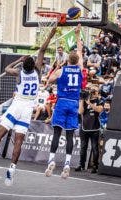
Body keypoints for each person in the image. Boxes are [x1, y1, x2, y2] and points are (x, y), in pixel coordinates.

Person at [0, 27, 57, 186]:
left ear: (23, 66)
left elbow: (6, 69)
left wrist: (19, 60)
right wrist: (51, 33)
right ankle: (12, 169)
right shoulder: (37, 72)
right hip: (28, 108)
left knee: (0, 133)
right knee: (18, 141)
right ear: (35, 66)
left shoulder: (19, 72)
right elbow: (43, 49)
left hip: (18, 104)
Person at [44, 24, 83, 179]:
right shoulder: (80, 68)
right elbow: (79, 50)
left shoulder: (61, 71)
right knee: (69, 135)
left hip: (62, 102)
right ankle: (67, 164)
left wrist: (52, 75)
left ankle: (51, 160)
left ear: (67, 59)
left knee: (56, 133)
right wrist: (78, 34)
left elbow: (49, 79)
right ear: (77, 60)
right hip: (74, 103)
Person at [75, 87, 103, 173]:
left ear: (98, 93)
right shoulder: (84, 100)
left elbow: (99, 109)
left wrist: (90, 103)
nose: (93, 93)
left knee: (95, 147)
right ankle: (81, 165)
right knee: (83, 147)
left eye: (95, 91)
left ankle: (95, 166)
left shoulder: (99, 101)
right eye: (92, 91)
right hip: (84, 127)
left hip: (95, 128)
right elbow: (80, 112)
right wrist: (82, 100)